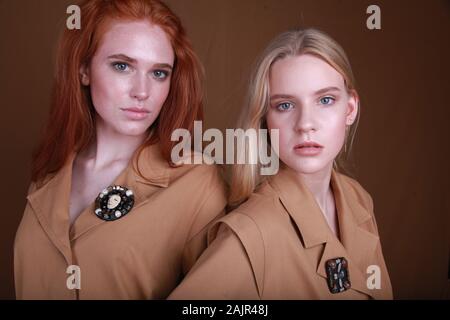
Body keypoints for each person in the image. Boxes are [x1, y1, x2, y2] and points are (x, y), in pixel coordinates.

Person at [14, 0, 227, 299]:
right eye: (122, 66)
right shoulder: (50, 171)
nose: (142, 91)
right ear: (84, 69)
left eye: (159, 73)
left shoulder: (197, 182)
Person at [168, 28, 393, 299]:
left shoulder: (357, 197)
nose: (305, 124)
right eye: (285, 105)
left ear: (350, 108)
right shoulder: (251, 233)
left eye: (325, 100)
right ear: (265, 118)